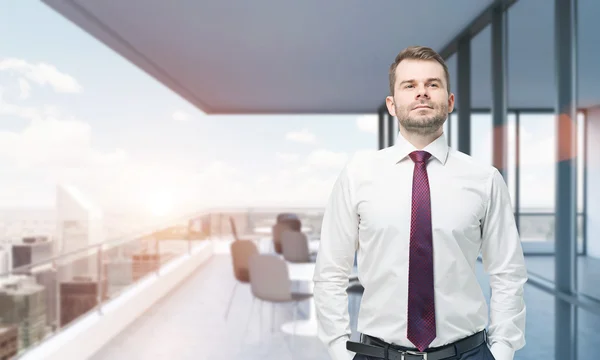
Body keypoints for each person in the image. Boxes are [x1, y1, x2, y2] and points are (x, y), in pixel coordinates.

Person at [312, 45, 527, 360]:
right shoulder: (357, 176)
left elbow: (508, 271)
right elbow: (330, 270)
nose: (422, 93)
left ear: (450, 101)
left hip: (467, 353)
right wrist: (337, 348)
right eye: (409, 86)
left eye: (433, 84)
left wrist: (504, 349)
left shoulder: (484, 179)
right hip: (376, 353)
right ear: (392, 104)